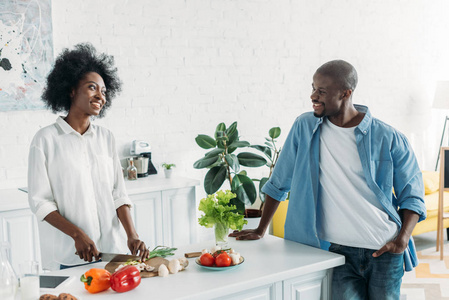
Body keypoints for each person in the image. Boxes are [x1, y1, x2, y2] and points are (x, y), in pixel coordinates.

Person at [230, 60, 426, 299]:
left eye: (321, 91)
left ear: (346, 93)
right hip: (336, 252)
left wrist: (402, 240)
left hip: (384, 248)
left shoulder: (389, 137)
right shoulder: (304, 127)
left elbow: (412, 194)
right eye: (313, 88)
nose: (313, 96)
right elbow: (280, 180)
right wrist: (261, 229)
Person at [27, 43, 149, 270]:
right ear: (71, 89)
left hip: (113, 252)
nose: (100, 96)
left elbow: (118, 194)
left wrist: (131, 235)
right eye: (92, 88)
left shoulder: (106, 138)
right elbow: (40, 202)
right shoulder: (45, 140)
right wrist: (77, 234)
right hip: (70, 256)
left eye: (103, 91)